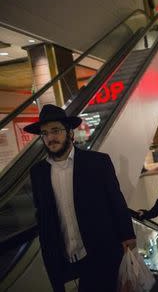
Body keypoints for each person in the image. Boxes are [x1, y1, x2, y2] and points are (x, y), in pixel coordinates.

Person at [25, 104, 136, 292]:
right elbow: (43, 217)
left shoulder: (97, 162)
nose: (51, 137)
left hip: (101, 253)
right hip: (65, 261)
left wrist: (127, 234)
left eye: (56, 130)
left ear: (69, 132)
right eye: (45, 133)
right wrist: (50, 260)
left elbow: (115, 200)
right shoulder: (38, 173)